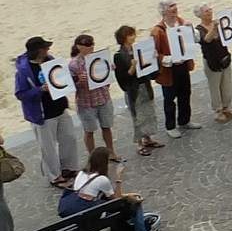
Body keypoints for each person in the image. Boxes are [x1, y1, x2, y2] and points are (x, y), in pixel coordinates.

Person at [62, 147, 162, 231]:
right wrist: (119, 177)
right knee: (134, 205)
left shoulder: (81, 174)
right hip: (91, 217)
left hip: (79, 212)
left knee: (117, 203)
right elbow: (116, 200)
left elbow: (98, 195)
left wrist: (128, 195)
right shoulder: (101, 179)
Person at [15, 36, 81, 187]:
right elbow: (20, 94)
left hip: (59, 108)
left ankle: (69, 168)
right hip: (42, 114)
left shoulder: (50, 61)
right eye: (45, 48)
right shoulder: (23, 72)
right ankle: (54, 176)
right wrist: (39, 90)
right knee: (48, 147)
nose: (48, 50)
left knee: (69, 138)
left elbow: (62, 78)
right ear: (38, 50)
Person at [151, 0, 201, 138]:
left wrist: (191, 29)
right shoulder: (158, 31)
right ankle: (170, 126)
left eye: (175, 5)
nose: (174, 8)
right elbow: (153, 53)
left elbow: (196, 39)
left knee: (185, 94)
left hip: (183, 65)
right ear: (163, 11)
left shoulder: (182, 22)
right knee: (169, 99)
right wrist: (168, 59)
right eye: (170, 6)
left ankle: (185, 120)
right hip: (169, 70)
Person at [68, 34, 119, 163]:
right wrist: (79, 81)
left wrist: (109, 71)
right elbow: (70, 86)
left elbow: (106, 80)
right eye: (87, 45)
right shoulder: (73, 65)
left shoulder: (99, 58)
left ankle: (111, 151)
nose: (90, 47)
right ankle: (92, 157)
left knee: (107, 126)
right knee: (89, 130)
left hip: (102, 97)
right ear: (79, 46)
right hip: (86, 102)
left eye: (92, 44)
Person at [113, 26, 163, 156]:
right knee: (137, 117)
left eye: (133, 34)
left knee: (148, 113)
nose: (133, 37)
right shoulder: (119, 56)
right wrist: (133, 66)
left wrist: (154, 58)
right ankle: (139, 143)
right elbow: (123, 76)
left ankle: (148, 139)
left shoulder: (137, 50)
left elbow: (149, 68)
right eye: (130, 35)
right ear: (123, 38)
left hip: (144, 84)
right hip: (133, 89)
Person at [194, 4, 232, 122]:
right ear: (200, 15)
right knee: (215, 87)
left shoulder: (218, 22)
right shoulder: (198, 29)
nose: (209, 12)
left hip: (224, 57)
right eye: (206, 11)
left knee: (226, 84)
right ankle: (218, 111)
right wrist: (214, 28)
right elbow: (206, 39)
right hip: (211, 61)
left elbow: (230, 30)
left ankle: (226, 107)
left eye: (210, 10)